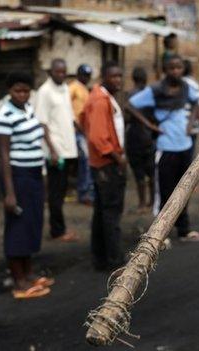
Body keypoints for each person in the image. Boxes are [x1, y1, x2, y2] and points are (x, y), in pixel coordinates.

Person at [127, 55, 199, 243]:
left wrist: (190, 124)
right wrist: (150, 125)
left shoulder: (186, 87)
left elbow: (196, 103)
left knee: (184, 189)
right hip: (165, 147)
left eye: (178, 67)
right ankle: (159, 234)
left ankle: (183, 229)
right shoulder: (155, 90)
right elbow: (130, 105)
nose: (175, 71)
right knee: (164, 190)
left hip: (185, 145)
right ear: (165, 70)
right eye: (171, 68)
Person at [0, 71, 52, 299]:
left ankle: (29, 274)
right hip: (17, 177)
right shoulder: (4, 115)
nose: (22, 94)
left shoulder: (28, 109)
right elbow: (4, 156)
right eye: (18, 90)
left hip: (34, 174)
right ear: (9, 91)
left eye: (26, 90)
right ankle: (19, 281)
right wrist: (10, 192)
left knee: (31, 223)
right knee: (17, 227)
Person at [80, 61, 127, 271]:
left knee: (102, 212)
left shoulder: (102, 96)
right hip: (107, 164)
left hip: (102, 163)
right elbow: (98, 137)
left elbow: (82, 120)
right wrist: (117, 158)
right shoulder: (100, 99)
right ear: (104, 77)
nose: (117, 80)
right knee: (110, 213)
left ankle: (101, 257)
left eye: (119, 76)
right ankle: (114, 260)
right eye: (113, 76)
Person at [35, 58, 79, 242]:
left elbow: (67, 117)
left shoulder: (65, 89)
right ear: (50, 72)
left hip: (68, 149)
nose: (61, 75)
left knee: (61, 191)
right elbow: (42, 123)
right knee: (55, 192)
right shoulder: (45, 92)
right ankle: (57, 231)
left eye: (63, 72)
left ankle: (60, 228)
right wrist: (52, 150)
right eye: (57, 72)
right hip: (56, 152)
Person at [126, 67, 156, 214]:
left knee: (139, 174)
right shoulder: (150, 94)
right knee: (151, 172)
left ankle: (142, 203)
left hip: (134, 137)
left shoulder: (130, 95)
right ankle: (152, 202)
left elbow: (127, 118)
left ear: (133, 78)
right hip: (149, 137)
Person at [69, 64, 94, 205]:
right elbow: (67, 108)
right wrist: (76, 124)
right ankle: (84, 192)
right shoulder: (73, 87)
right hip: (77, 130)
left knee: (86, 161)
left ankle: (86, 191)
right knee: (85, 160)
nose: (86, 78)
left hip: (85, 129)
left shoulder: (85, 89)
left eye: (88, 75)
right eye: (84, 75)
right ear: (78, 74)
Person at [182, 59, 199, 154]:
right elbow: (198, 108)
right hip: (191, 129)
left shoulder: (174, 84)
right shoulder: (194, 85)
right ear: (191, 70)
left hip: (177, 127)